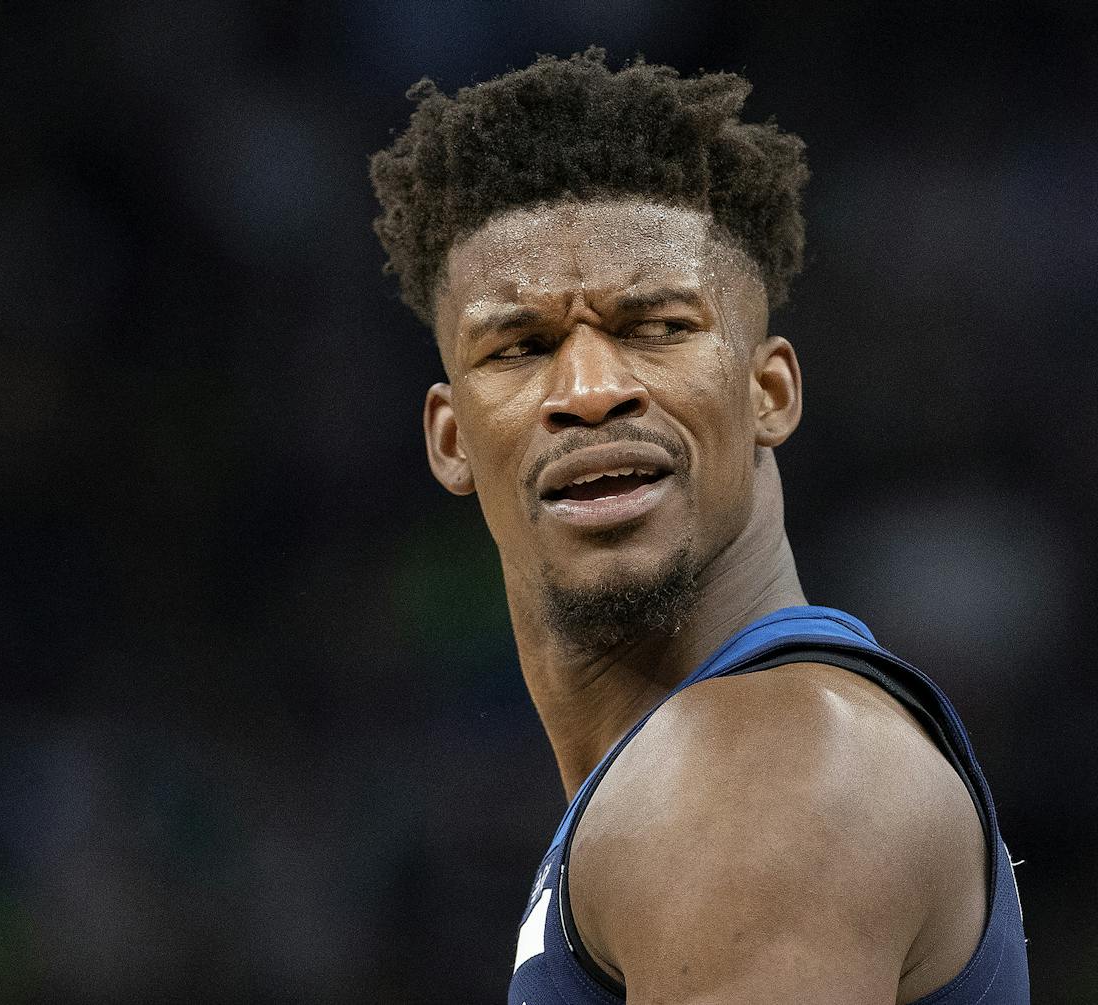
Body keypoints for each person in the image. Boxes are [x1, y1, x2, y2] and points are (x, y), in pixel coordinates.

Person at [369, 49, 1029, 1003]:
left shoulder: (767, 768)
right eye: (521, 347)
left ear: (769, 392)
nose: (591, 392)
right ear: (450, 438)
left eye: (658, 327)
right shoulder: (712, 772)